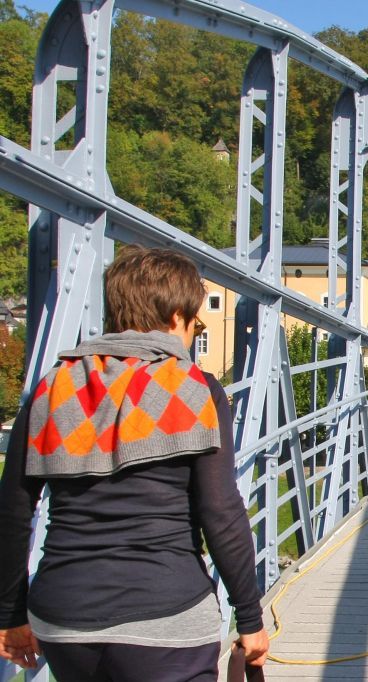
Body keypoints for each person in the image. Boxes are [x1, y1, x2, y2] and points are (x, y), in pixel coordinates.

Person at [0, 245, 269, 680]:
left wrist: (9, 614)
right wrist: (250, 618)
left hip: (64, 616)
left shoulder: (51, 388)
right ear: (176, 317)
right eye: (195, 323)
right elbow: (220, 510)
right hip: (168, 615)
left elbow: (13, 510)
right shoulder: (195, 389)